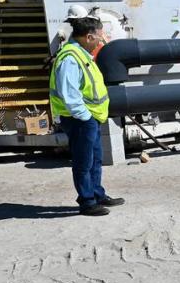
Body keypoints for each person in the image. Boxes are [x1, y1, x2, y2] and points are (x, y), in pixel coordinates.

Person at [49, 11, 124, 216]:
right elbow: (69, 92)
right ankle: (87, 202)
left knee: (95, 158)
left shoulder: (82, 55)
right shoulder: (70, 58)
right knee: (84, 161)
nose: (101, 40)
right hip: (79, 119)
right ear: (89, 37)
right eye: (99, 37)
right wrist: (84, 116)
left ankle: (97, 194)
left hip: (90, 118)